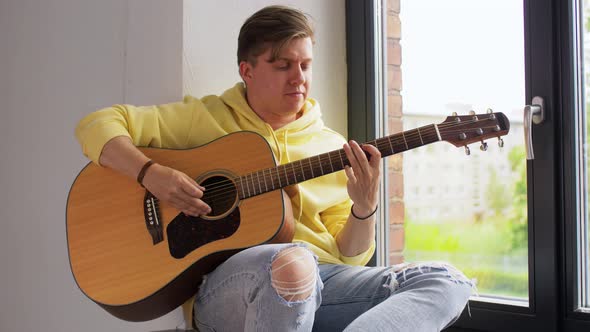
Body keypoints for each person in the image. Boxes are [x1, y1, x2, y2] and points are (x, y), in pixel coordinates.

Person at [75, 5, 473, 332]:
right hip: (229, 291)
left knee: (446, 280)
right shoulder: (205, 118)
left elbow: (348, 258)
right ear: (247, 71)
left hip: (322, 283)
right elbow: (97, 125)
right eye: (283, 65)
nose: (299, 78)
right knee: (291, 262)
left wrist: (364, 208)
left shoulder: (331, 146)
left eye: (305, 65)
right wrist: (151, 174)